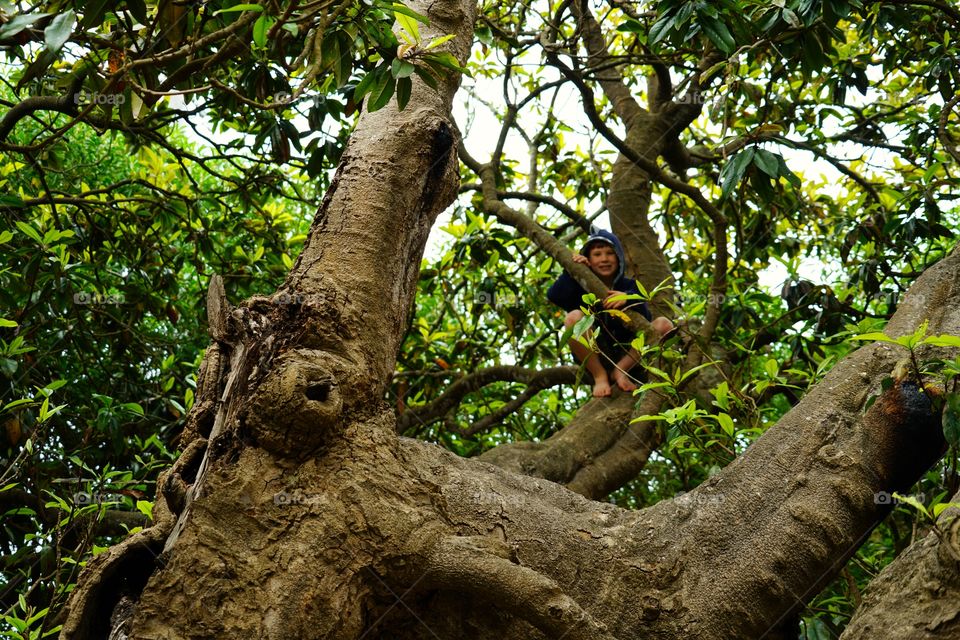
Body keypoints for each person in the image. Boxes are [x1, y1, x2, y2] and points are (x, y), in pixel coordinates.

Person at [547, 228, 673, 397]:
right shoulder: (578, 285)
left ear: (619, 258)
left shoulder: (630, 286)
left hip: (629, 353)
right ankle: (600, 376)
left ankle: (620, 370)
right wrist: (573, 271)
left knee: (664, 324)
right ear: (588, 259)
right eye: (597, 254)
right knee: (573, 318)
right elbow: (554, 296)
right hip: (596, 353)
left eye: (610, 254)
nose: (604, 259)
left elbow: (646, 319)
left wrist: (629, 298)